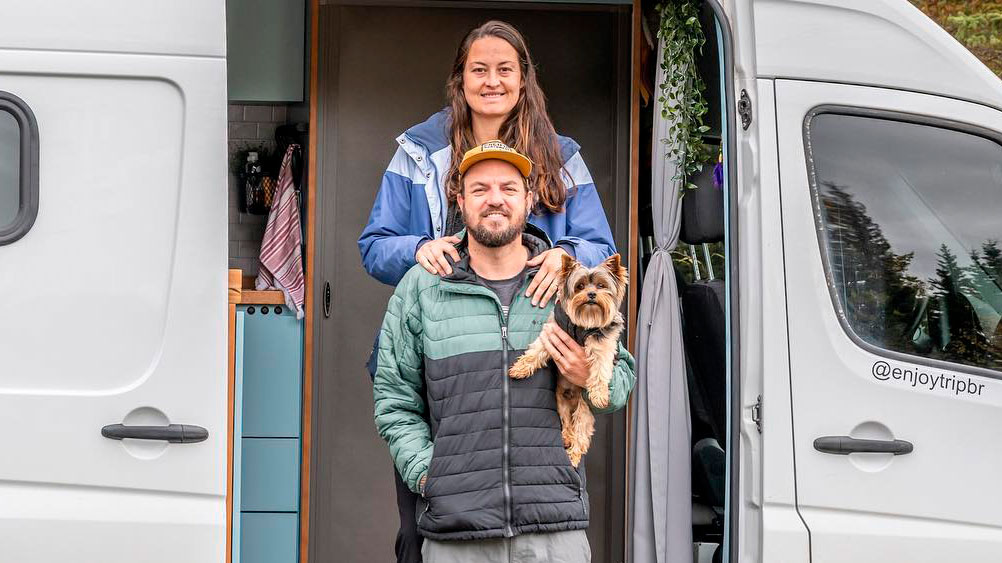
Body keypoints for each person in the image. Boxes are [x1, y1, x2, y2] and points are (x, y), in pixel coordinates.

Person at [357, 20, 618, 563]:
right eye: (479, 69)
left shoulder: (561, 154)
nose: (492, 81)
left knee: (534, 526)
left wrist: (562, 254)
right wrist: (417, 248)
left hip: (535, 376)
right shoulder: (417, 149)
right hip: (446, 374)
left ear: (525, 80)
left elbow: (599, 245)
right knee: (420, 537)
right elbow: (374, 246)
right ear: (460, 79)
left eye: (506, 69)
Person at [373, 142, 635, 563]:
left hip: (555, 530)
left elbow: (620, 383)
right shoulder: (422, 288)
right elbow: (394, 399)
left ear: (529, 199)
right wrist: (429, 474)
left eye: (509, 188)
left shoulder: (562, 286)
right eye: (479, 189)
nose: (495, 198)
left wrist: (587, 376)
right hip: (457, 534)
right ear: (459, 200)